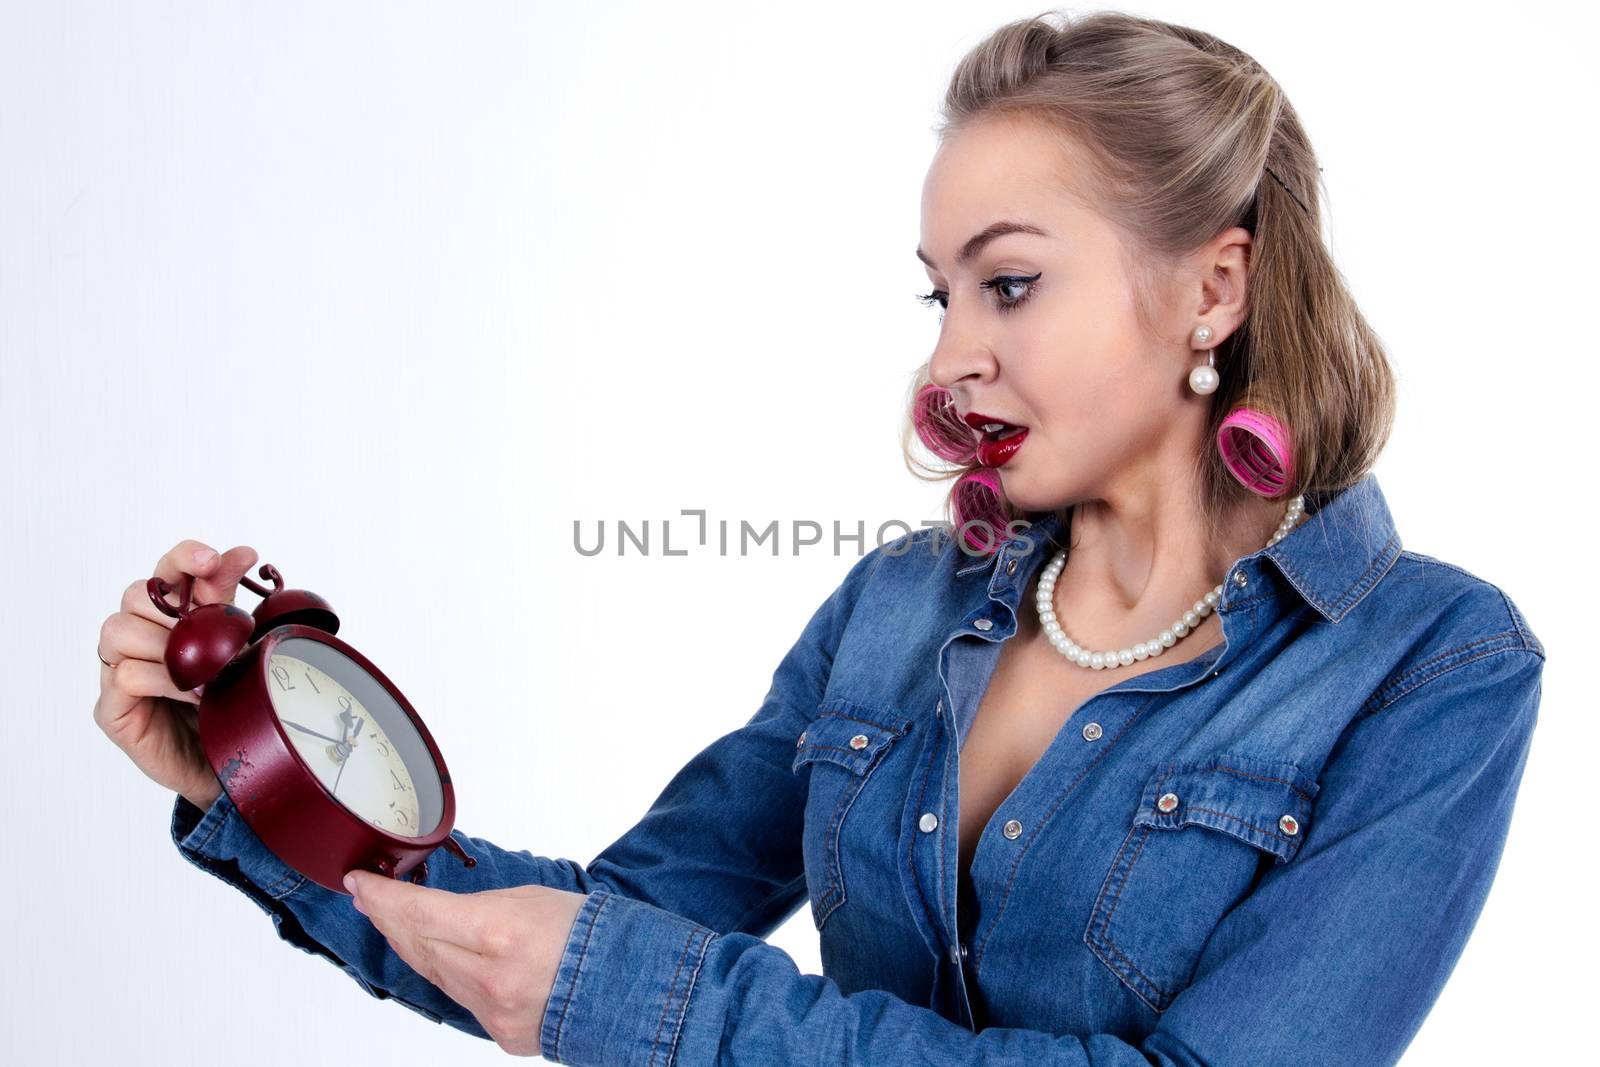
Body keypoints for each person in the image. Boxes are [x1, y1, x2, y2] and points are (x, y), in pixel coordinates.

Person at [94, 10, 1544, 1065]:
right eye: (940, 298)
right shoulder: (899, 609)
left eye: (1012, 286)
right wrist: (262, 777)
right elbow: (599, 928)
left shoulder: (1430, 665)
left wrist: (656, 1007)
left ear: (1213, 289)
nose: (950, 362)